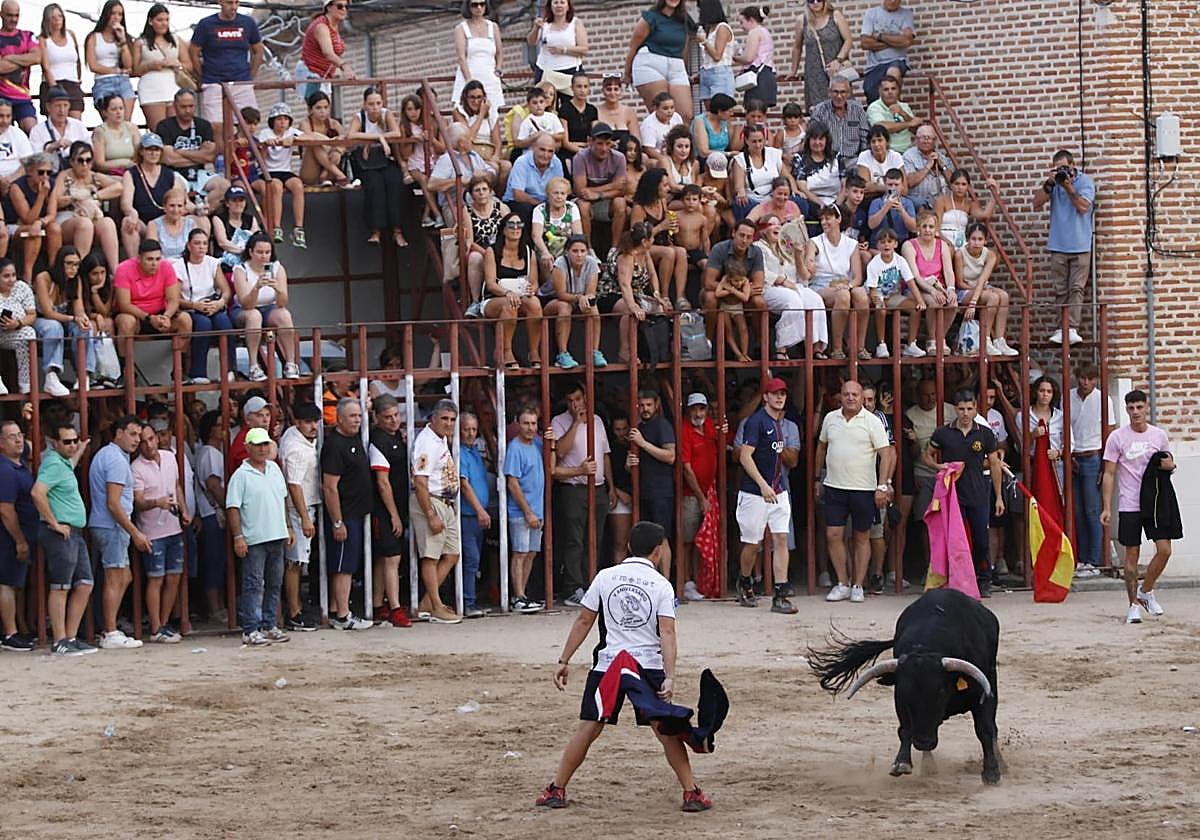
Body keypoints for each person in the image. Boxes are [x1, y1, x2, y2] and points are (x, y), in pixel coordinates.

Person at [536, 520, 712, 813]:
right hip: (647, 665)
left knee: (589, 727)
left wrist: (564, 660)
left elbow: (584, 620)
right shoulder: (661, 585)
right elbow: (667, 632)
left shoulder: (606, 577)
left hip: (610, 664)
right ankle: (691, 793)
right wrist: (670, 676)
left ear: (629, 546)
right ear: (658, 551)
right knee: (665, 731)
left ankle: (556, 789)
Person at [1101, 389, 1176, 625]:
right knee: (1131, 553)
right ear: (1126, 410)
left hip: (1154, 502)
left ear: (1146, 408)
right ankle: (1133, 604)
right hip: (1129, 503)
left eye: (1139, 407)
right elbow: (1109, 473)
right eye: (1131, 408)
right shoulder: (1117, 438)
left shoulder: (1158, 435)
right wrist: (1107, 507)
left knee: (1165, 550)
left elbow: (1167, 463)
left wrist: (1171, 465)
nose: (1135, 412)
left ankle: (1146, 590)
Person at [816, 380, 894, 603]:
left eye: (855, 394)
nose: (850, 398)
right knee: (833, 535)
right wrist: (816, 479)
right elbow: (821, 446)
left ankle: (858, 585)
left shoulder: (872, 421)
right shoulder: (830, 418)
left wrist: (882, 485)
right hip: (834, 486)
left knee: (861, 537)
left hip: (863, 489)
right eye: (846, 394)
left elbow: (886, 454)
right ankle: (842, 583)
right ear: (840, 396)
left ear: (861, 397)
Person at [923, 388, 1004, 597]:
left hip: (979, 493)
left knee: (981, 540)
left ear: (976, 408)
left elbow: (995, 464)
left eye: (969, 408)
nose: (965, 413)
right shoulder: (943, 433)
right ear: (955, 410)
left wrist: (999, 497)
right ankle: (956, 579)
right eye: (961, 409)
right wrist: (940, 467)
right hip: (953, 496)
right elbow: (927, 455)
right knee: (955, 540)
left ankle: (982, 579)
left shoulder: (985, 433)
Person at [734, 377, 800, 613]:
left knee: (781, 538)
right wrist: (762, 485)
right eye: (775, 394)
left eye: (783, 394)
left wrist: (774, 486)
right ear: (765, 397)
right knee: (753, 543)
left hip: (778, 490)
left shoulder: (780, 423)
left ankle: (780, 594)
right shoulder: (756, 422)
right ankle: (745, 581)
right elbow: (745, 457)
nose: (780, 397)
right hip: (755, 493)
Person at [31, 420, 95, 655]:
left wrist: (80, 450)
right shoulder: (52, 463)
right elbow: (37, 493)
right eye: (67, 442)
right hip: (61, 533)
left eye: (74, 440)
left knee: (85, 583)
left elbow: (70, 462)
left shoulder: (63, 463)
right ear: (54, 443)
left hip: (73, 532)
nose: (72, 445)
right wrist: (54, 523)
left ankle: (70, 637)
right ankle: (60, 640)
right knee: (61, 586)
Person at [89, 415, 151, 649]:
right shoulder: (115, 460)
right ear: (118, 433)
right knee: (115, 578)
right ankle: (110, 631)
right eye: (132, 434)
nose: (137, 440)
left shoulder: (109, 455)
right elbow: (113, 504)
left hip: (110, 525)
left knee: (124, 576)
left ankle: (109, 627)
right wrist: (135, 532)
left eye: (139, 435)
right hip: (112, 526)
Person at [227, 426, 292, 647]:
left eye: (265, 444)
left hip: (276, 534)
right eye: (258, 445)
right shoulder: (241, 475)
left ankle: (268, 625)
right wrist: (238, 536)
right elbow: (233, 507)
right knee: (254, 585)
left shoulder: (274, 469)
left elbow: (283, 499)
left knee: (273, 583)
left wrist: (288, 526)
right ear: (248, 448)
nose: (263, 449)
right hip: (254, 539)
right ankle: (251, 629)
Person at [550, 380, 612, 605]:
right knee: (574, 540)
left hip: (598, 487)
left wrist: (611, 486)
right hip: (574, 488)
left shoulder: (597, 420)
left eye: (577, 399)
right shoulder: (558, 421)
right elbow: (560, 452)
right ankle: (572, 587)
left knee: (595, 538)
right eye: (570, 401)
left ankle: (590, 584)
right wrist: (576, 423)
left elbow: (605, 455)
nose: (574, 404)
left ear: (585, 397)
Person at [321, 397, 376, 631]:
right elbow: (329, 487)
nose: (357, 420)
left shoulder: (354, 438)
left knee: (346, 564)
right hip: (345, 515)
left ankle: (336, 610)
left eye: (359, 416)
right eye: (352, 416)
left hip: (356, 514)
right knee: (344, 566)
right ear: (340, 419)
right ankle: (344, 615)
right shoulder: (335, 445)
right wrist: (337, 522)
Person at [131, 422, 187, 644]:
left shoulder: (170, 457)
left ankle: (163, 624)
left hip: (173, 526)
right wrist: (157, 502)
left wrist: (184, 510)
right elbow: (138, 502)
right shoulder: (136, 467)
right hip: (152, 531)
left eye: (151, 439)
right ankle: (156, 627)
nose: (148, 445)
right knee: (156, 579)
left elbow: (177, 486)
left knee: (173, 577)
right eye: (143, 441)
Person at [1032, 149, 1095, 345]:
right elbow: (1036, 203)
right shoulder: (1054, 184)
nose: (1062, 171)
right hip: (1058, 244)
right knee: (1060, 289)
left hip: (1080, 244)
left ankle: (1072, 328)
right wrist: (1049, 184)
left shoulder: (1085, 182)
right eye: (1058, 168)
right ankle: (1062, 328)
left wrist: (1068, 187)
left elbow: (1083, 207)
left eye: (1064, 167)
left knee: (1076, 288)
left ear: (1073, 165)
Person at [409, 399, 464, 624]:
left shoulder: (439, 439)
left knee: (452, 554)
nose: (449, 424)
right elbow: (420, 481)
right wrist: (430, 514)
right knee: (430, 556)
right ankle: (436, 606)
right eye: (444, 419)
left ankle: (427, 603)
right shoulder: (426, 442)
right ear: (433, 418)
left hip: (445, 501)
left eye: (452, 420)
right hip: (431, 500)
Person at [367, 394, 415, 626]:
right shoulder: (378, 441)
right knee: (392, 558)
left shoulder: (396, 436)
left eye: (396, 415)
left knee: (383, 557)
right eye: (388, 417)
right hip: (385, 510)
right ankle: (395, 607)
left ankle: (378, 604)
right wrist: (394, 514)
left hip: (397, 506)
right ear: (377, 418)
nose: (394, 420)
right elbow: (382, 482)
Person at [754, 212, 828, 357]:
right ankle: (781, 347)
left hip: (793, 286)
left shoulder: (786, 248)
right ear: (763, 229)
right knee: (792, 300)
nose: (777, 227)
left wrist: (798, 255)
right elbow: (761, 271)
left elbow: (803, 277)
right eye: (772, 224)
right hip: (770, 288)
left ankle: (816, 347)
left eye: (779, 224)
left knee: (815, 300)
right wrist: (781, 280)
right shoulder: (758, 247)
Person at [347, 87, 413, 247]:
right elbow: (351, 134)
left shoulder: (386, 114)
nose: (375, 107)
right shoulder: (359, 117)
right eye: (371, 104)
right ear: (365, 104)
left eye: (378, 103)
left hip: (384, 159)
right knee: (375, 185)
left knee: (395, 181)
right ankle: (376, 230)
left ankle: (397, 230)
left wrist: (378, 139)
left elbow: (396, 133)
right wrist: (378, 139)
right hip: (366, 163)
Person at [190, 0, 263, 141]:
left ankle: (244, 155)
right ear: (220, 2)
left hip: (241, 82)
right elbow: (193, 52)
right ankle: (222, 155)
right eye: (230, 2)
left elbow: (258, 51)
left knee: (248, 124)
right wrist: (202, 77)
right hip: (214, 83)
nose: (234, 7)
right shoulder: (205, 24)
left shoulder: (248, 23)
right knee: (217, 127)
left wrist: (250, 77)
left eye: (237, 2)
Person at [232, 232, 300, 381]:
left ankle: (291, 362)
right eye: (260, 252)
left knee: (284, 315)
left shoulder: (277, 268)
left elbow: (282, 302)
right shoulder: (240, 269)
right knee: (254, 315)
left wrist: (278, 289)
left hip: (269, 307)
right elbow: (247, 304)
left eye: (267, 252)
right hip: (244, 310)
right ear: (251, 252)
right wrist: (256, 287)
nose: (264, 256)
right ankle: (253, 365)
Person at [276, 402, 319, 631]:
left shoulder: (292, 435)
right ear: (298, 423)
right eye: (308, 422)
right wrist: (304, 518)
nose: (313, 426)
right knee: (295, 562)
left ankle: (297, 607)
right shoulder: (296, 448)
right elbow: (294, 484)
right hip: (298, 508)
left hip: (301, 506)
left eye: (315, 421)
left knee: (297, 561)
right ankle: (294, 612)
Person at [48, 141, 122, 271]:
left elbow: (119, 187)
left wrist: (94, 195)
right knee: (85, 224)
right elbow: (56, 200)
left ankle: (115, 270)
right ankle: (79, 269)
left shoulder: (94, 176)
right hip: (69, 217)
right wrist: (73, 198)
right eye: (80, 160)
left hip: (91, 215)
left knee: (108, 223)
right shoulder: (65, 176)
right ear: (72, 162)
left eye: (88, 160)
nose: (85, 165)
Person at [171, 228, 233, 383]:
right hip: (191, 308)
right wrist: (195, 305)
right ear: (188, 245)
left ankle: (229, 370)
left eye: (205, 243)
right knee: (203, 324)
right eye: (197, 243)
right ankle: (198, 373)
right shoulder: (178, 266)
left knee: (224, 323)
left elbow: (226, 291)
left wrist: (219, 303)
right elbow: (175, 299)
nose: (201, 247)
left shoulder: (212, 262)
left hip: (212, 305)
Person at [807, 205, 869, 360]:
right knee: (843, 296)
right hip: (821, 285)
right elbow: (809, 263)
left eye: (828, 218)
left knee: (861, 294)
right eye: (822, 219)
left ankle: (859, 347)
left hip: (845, 284)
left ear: (838, 219)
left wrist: (849, 285)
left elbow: (857, 277)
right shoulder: (814, 242)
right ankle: (837, 348)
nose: (823, 222)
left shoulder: (851, 244)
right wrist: (810, 263)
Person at [33, 247, 96, 395]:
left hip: (63, 320)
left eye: (76, 264)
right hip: (40, 319)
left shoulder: (76, 280)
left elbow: (78, 308)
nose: (73, 268)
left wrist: (83, 319)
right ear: (60, 263)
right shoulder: (44, 278)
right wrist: (74, 318)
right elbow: (48, 312)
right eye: (69, 263)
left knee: (85, 328)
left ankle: (84, 375)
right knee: (54, 327)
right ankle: (51, 375)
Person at [156, 88, 229, 213]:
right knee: (176, 190)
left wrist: (180, 152)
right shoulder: (164, 126)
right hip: (174, 172)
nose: (188, 110)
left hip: (200, 171)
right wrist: (199, 155)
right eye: (183, 107)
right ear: (175, 106)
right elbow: (168, 158)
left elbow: (210, 156)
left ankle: (204, 210)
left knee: (224, 185)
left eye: (191, 106)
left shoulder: (203, 125)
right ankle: (193, 211)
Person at [624, 0, 698, 123]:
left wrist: (684, 70)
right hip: (650, 64)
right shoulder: (651, 17)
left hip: (676, 66)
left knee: (685, 115)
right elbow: (633, 46)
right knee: (662, 113)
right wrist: (627, 73)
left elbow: (685, 48)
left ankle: (681, 136)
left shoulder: (684, 20)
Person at [506, 405, 549, 609]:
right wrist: (528, 512)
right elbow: (512, 483)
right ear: (518, 424)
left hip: (536, 510)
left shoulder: (537, 444)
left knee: (531, 553)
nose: (530, 428)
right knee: (520, 553)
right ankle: (518, 596)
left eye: (533, 423)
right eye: (526, 423)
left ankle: (522, 595)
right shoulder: (514, 448)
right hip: (521, 511)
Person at [630, 389, 676, 576]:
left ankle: (665, 582)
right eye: (641, 405)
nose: (645, 409)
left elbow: (670, 456)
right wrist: (630, 464)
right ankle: (651, 580)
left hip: (660, 491)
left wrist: (643, 444)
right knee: (646, 541)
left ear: (656, 404)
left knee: (661, 538)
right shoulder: (639, 428)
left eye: (649, 405)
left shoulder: (662, 425)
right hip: (644, 491)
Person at [700, 220, 767, 347]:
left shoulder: (756, 252)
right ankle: (708, 341)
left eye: (749, 237)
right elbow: (708, 283)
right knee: (710, 297)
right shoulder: (719, 248)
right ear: (733, 233)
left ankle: (761, 343)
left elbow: (758, 286)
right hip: (720, 294)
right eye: (741, 235)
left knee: (759, 302)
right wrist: (737, 290)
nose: (744, 240)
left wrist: (734, 291)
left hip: (738, 295)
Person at [119, 133, 188, 257]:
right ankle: (134, 263)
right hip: (143, 223)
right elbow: (126, 203)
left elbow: (181, 199)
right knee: (127, 222)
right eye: (149, 149)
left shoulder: (169, 174)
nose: (153, 153)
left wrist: (199, 209)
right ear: (141, 151)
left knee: (201, 220)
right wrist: (132, 213)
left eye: (157, 149)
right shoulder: (131, 174)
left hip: (166, 221)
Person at [953, 222, 1017, 356]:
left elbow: (983, 280)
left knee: (1004, 296)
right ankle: (985, 340)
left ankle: (999, 340)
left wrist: (978, 295)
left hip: (982, 286)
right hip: (965, 289)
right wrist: (973, 302)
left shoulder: (990, 255)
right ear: (968, 239)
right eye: (973, 239)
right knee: (993, 297)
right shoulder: (960, 254)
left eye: (980, 239)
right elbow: (959, 283)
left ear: (985, 240)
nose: (976, 243)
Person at [680, 393, 720, 601]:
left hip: (708, 494)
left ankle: (700, 581)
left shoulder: (709, 426)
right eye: (694, 409)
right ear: (688, 411)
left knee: (704, 540)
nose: (698, 413)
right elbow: (686, 469)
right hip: (690, 496)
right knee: (688, 540)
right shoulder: (685, 430)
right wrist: (701, 497)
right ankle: (687, 582)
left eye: (701, 409)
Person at [0, 419, 36, 650]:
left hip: (18, 535)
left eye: (19, 435)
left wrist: (28, 422)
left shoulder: (19, 464)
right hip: (7, 537)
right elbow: (5, 510)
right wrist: (20, 540)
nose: (18, 440)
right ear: (1, 443)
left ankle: (15, 630)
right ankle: (9, 633)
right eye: (12, 437)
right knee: (5, 583)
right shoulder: (5, 470)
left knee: (14, 583)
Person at [113, 239, 191, 344]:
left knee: (185, 319)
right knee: (127, 322)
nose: (154, 264)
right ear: (139, 258)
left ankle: (180, 354)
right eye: (149, 259)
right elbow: (124, 305)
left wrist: (166, 316)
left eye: (158, 259)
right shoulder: (123, 269)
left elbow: (173, 300)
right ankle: (126, 355)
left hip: (161, 313)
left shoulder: (167, 267)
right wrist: (149, 318)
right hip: (135, 315)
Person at [544, 235, 605, 368]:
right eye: (575, 251)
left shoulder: (592, 263)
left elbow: (591, 292)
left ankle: (595, 352)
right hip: (553, 301)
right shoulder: (560, 263)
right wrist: (579, 298)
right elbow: (560, 294)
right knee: (564, 307)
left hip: (578, 301)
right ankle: (562, 354)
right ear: (567, 251)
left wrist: (586, 299)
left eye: (583, 251)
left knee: (593, 308)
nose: (579, 255)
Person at [901, 208, 956, 355]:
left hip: (938, 286)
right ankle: (931, 339)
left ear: (936, 229)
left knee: (953, 303)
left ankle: (940, 337)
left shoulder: (942, 245)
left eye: (931, 226)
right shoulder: (909, 245)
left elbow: (948, 271)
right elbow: (915, 276)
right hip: (915, 287)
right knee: (934, 301)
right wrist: (932, 291)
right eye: (924, 226)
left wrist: (951, 289)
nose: (927, 230)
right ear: (918, 228)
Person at [631, 167, 688, 307]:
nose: (668, 189)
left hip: (661, 242)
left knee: (681, 252)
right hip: (643, 247)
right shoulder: (639, 208)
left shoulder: (662, 201)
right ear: (654, 186)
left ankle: (681, 297)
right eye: (665, 185)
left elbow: (666, 223)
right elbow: (635, 237)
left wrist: (672, 227)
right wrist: (661, 227)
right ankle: (665, 295)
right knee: (668, 252)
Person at [255, 102, 309, 247]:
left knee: (298, 185)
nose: (282, 122)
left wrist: (294, 139)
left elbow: (308, 137)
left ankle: (299, 228)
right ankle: (277, 227)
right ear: (272, 121)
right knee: (277, 186)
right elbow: (260, 158)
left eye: (285, 119)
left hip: (285, 171)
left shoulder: (291, 132)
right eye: (279, 119)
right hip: (268, 171)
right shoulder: (266, 133)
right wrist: (267, 144)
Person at [133, 4, 194, 131]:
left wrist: (177, 64)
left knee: (176, 130)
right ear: (150, 21)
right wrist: (150, 66)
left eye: (166, 20)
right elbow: (135, 70)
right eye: (160, 20)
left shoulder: (176, 40)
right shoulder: (141, 42)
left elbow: (189, 65)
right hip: (151, 88)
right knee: (158, 130)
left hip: (173, 86)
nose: (164, 23)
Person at [457, 411, 493, 617]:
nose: (471, 433)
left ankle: (471, 600)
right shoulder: (460, 453)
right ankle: (467, 603)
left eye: (473, 429)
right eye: (466, 429)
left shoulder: (474, 453)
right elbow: (464, 484)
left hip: (477, 515)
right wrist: (480, 510)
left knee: (475, 560)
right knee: (471, 559)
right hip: (468, 515)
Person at [1070, 363, 1103, 577]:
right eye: (1082, 378)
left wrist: (1105, 464)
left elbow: (1109, 430)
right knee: (1078, 511)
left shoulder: (1102, 398)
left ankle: (1093, 560)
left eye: (1090, 379)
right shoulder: (1069, 397)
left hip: (1092, 456)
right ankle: (1082, 558)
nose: (1085, 382)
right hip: (1074, 456)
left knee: (1092, 510)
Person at [790, 0, 852, 113]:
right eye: (811, 1)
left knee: (842, 108)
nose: (815, 3)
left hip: (836, 71)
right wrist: (793, 71)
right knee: (818, 111)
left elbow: (848, 41)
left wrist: (838, 60)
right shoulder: (802, 20)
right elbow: (797, 47)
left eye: (818, 0)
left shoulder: (835, 15)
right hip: (814, 75)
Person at [6, 154, 60, 283]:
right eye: (41, 172)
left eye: (49, 173)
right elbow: (27, 219)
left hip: (38, 223)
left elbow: (52, 214)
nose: (45, 176)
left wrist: (40, 222)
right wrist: (41, 196)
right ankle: (28, 276)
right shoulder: (17, 187)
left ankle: (53, 270)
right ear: (30, 171)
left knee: (54, 228)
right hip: (16, 225)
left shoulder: (51, 184)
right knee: (34, 232)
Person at [572, 122, 628, 242]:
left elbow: (622, 190)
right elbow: (580, 191)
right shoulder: (580, 157)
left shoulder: (619, 158)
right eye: (599, 144)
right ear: (590, 142)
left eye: (608, 144)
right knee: (583, 205)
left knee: (620, 202)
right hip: (587, 201)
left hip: (607, 200)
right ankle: (587, 247)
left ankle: (615, 247)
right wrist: (612, 185)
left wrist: (599, 194)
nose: (604, 149)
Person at [454, 81, 510, 192]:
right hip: (471, 153)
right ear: (465, 98)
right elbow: (467, 138)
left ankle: (498, 196)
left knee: (506, 166)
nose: (476, 101)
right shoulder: (459, 112)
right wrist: (481, 115)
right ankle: (487, 195)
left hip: (488, 153)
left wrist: (496, 156)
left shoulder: (491, 113)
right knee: (493, 168)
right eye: (472, 97)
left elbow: (497, 141)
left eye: (479, 97)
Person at [808, 76, 868, 175]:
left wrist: (863, 160)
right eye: (835, 92)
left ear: (848, 93)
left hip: (853, 160)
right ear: (829, 92)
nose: (839, 96)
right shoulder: (820, 110)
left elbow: (865, 138)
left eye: (843, 92)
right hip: (828, 161)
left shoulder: (858, 110)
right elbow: (813, 137)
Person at [452, 0, 505, 110]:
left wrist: (498, 68)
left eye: (482, 4)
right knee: (467, 112)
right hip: (469, 75)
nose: (479, 8)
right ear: (468, 7)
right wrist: (469, 80)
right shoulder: (461, 28)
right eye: (475, 5)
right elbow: (461, 57)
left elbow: (499, 51)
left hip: (490, 76)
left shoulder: (493, 26)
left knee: (492, 112)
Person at [84, 0, 134, 115]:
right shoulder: (93, 37)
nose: (116, 17)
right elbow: (93, 66)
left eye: (120, 14)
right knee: (110, 120)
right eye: (113, 13)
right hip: (103, 81)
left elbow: (128, 65)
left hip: (123, 81)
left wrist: (122, 40)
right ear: (106, 14)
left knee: (125, 121)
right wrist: (115, 71)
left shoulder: (124, 37)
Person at [861, 0, 915, 103]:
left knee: (892, 76)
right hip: (875, 65)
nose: (893, 1)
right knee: (872, 95)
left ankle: (893, 109)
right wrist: (896, 40)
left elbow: (907, 41)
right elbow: (865, 43)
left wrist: (879, 36)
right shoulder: (871, 13)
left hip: (897, 61)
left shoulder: (906, 14)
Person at [505, 133, 565, 228]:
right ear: (533, 148)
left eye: (550, 151)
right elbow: (518, 195)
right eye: (542, 150)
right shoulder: (522, 162)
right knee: (526, 208)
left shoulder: (556, 162)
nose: (546, 155)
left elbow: (561, 188)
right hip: (519, 202)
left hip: (545, 202)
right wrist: (540, 206)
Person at [37, 4, 84, 120]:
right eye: (53, 17)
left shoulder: (71, 35)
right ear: (47, 20)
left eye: (60, 16)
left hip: (72, 83)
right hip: (53, 83)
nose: (57, 20)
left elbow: (77, 60)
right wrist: (55, 89)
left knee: (76, 121)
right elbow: (46, 67)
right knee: (57, 122)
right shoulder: (43, 39)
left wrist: (78, 80)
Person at [301, 0, 355, 99]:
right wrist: (344, 66)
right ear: (328, 7)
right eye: (340, 6)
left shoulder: (333, 25)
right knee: (317, 106)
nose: (344, 9)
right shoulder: (321, 26)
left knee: (324, 106)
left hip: (324, 74)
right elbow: (328, 53)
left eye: (346, 7)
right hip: (312, 72)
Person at [731, 124, 785, 221]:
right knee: (739, 203)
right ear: (746, 141)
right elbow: (738, 186)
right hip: (752, 199)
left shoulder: (774, 154)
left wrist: (795, 190)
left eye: (760, 141)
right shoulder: (740, 159)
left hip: (774, 198)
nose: (758, 145)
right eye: (754, 141)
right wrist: (741, 191)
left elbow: (787, 177)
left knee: (799, 200)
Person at [28, 86, 89, 174]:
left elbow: (90, 152)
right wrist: (51, 148)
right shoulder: (37, 131)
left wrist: (76, 149)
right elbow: (34, 163)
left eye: (65, 105)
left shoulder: (79, 126)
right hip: (50, 175)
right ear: (48, 107)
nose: (62, 110)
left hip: (77, 173)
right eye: (58, 106)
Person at [529, 0, 589, 88]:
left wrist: (563, 50)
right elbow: (531, 42)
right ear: (550, 6)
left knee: (570, 97)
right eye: (555, 2)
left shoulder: (575, 23)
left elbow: (584, 50)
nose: (559, 5)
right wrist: (535, 28)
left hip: (570, 70)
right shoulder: (544, 23)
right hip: (545, 71)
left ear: (568, 6)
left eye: (562, 2)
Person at [0, 258, 39, 395]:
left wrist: (17, 323)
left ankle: (25, 382)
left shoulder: (22, 287)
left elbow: (32, 314)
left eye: (13, 275)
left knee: (29, 332)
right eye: (6, 276)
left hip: (13, 333)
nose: (11, 280)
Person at [298, 90, 349, 187]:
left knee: (337, 150)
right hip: (311, 172)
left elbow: (346, 140)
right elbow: (310, 137)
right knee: (314, 143)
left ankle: (325, 174)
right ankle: (340, 175)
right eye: (318, 108)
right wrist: (331, 142)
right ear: (310, 110)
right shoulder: (305, 123)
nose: (323, 111)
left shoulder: (334, 123)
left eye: (326, 107)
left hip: (330, 173)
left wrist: (338, 150)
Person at [732, 5, 777, 109]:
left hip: (757, 77)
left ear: (751, 20)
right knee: (762, 112)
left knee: (753, 111)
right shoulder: (765, 32)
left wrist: (734, 57)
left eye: (742, 22)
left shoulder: (754, 32)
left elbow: (748, 58)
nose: (741, 26)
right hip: (767, 74)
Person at [866, 76, 920, 155]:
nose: (890, 92)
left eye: (893, 89)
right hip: (887, 152)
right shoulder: (874, 107)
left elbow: (915, 130)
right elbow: (882, 128)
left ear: (898, 91)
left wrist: (903, 114)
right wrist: (909, 123)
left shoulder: (904, 106)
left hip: (908, 150)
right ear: (880, 92)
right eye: (886, 89)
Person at [902, 125, 951, 209]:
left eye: (929, 138)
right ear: (916, 139)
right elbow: (909, 182)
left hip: (940, 202)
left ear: (935, 141)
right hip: (919, 203)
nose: (926, 141)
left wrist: (943, 166)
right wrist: (928, 166)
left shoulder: (941, 157)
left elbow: (952, 183)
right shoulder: (908, 156)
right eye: (923, 138)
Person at [696, 0, 735, 106]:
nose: (699, 14)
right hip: (707, 72)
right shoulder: (710, 29)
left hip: (719, 72)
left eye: (701, 10)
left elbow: (717, 56)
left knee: (720, 108)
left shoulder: (722, 27)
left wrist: (704, 41)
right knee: (709, 111)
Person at [91, 94, 139, 175]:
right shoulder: (100, 131)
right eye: (114, 109)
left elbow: (138, 156)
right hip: (109, 174)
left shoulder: (132, 128)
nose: (118, 112)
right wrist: (123, 164)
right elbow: (99, 164)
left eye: (121, 108)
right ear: (105, 112)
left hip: (131, 173)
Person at [596, 73, 640, 142]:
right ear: (603, 91)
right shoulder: (596, 112)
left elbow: (636, 140)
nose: (612, 93)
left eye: (616, 89)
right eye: (609, 89)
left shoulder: (629, 112)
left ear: (621, 91)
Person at [0, 98, 32, 183]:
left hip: (16, 181)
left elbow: (28, 163)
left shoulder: (17, 133)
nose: (5, 121)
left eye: (8, 116)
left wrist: (10, 179)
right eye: (1, 116)